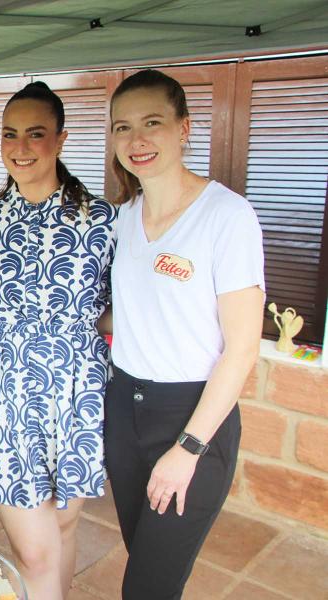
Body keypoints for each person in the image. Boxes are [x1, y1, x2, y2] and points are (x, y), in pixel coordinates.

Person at [103, 69, 263, 600]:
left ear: (184, 128)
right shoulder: (122, 220)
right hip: (122, 408)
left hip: (191, 417)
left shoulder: (227, 216)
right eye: (123, 127)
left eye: (152, 123)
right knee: (148, 563)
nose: (136, 140)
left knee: (147, 586)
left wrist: (188, 448)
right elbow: (123, 316)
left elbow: (242, 349)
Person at [0, 82, 117, 599]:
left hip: (77, 392)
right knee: (34, 551)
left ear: (62, 139)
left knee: (64, 531)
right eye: (9, 134)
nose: (20, 147)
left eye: (36, 133)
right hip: (8, 392)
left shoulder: (104, 222)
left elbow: (116, 310)